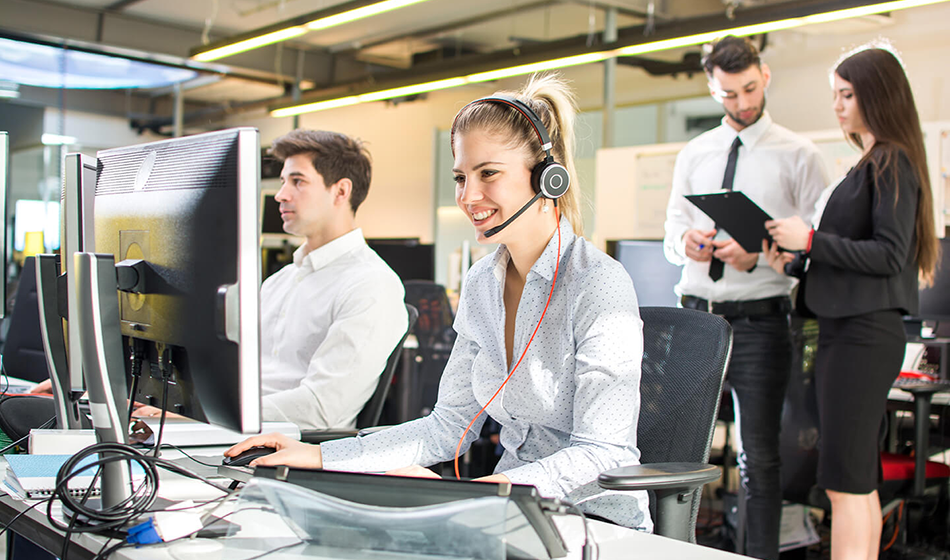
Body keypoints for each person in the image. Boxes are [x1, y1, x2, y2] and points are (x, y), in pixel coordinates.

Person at [227, 74, 652, 531]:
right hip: (509, 511)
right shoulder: (482, 283)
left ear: (548, 177)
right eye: (460, 177)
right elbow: (446, 425)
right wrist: (319, 455)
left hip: (592, 523)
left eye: (488, 173)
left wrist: (481, 493)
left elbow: (602, 451)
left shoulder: (598, 283)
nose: (469, 196)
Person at [36, 130, 409, 431]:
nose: (280, 195)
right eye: (282, 181)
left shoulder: (372, 286)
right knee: (48, 427)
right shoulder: (280, 281)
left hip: (283, 446)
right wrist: (104, 387)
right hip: (223, 431)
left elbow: (323, 409)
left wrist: (199, 417)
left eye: (297, 181)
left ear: (341, 191)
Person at [765, 43, 939, 560]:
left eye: (847, 94)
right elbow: (859, 261)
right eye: (835, 95)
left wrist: (812, 241)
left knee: (844, 479)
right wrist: (796, 262)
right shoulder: (879, 160)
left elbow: (889, 254)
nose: (838, 105)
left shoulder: (891, 162)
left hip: (861, 337)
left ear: (876, 96)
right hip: (852, 331)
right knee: (853, 479)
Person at [663, 36, 828, 559]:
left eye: (749, 89)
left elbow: (817, 242)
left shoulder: (800, 155)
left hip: (760, 324)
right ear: (713, 88)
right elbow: (671, 230)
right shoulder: (696, 152)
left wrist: (756, 253)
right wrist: (683, 242)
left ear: (766, 75)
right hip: (696, 319)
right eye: (728, 94)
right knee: (675, 455)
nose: (741, 103)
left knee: (759, 459)